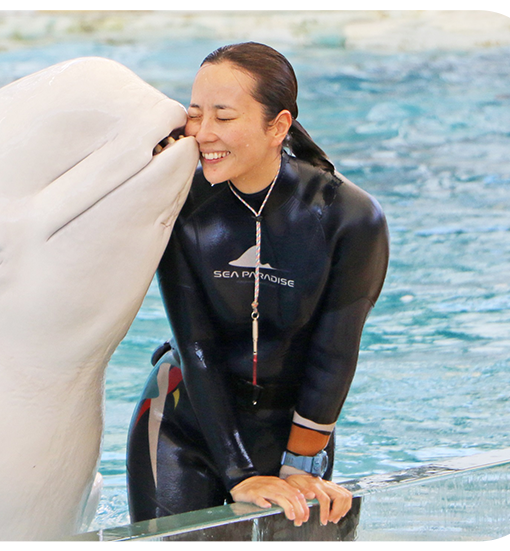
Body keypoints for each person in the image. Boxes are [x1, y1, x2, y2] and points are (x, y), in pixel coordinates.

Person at [126, 42, 389, 528]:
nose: (203, 134)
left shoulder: (348, 218)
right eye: (196, 113)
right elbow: (195, 340)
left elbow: (333, 355)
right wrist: (240, 472)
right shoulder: (180, 203)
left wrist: (300, 467)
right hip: (183, 427)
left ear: (278, 126)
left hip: (296, 435)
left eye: (223, 117)